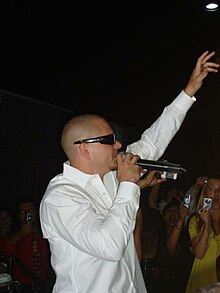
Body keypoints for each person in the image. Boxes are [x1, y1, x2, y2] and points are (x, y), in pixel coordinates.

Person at [39, 51, 219, 293]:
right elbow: (109, 246)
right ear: (85, 149)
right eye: (109, 140)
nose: (118, 145)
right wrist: (129, 185)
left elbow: (153, 141)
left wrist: (189, 91)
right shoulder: (60, 198)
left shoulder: (111, 174)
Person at [0, 197, 50, 293]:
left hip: (46, 284)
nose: (28, 214)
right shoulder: (14, 233)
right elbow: (4, 249)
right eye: (23, 211)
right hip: (23, 286)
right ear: (18, 215)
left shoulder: (47, 230)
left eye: (30, 210)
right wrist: (20, 233)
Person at [185, 176, 220, 293]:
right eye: (212, 189)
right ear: (204, 195)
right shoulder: (195, 221)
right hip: (203, 279)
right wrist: (206, 224)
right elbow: (199, 253)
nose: (216, 194)